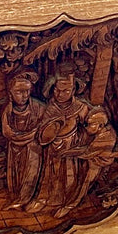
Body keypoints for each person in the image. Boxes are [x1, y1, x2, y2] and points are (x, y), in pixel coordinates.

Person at [29, 72, 90, 213]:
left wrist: (79, 142)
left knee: (69, 174)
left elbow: (89, 128)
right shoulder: (50, 107)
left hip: (71, 147)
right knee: (49, 173)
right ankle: (43, 199)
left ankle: (67, 201)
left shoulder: (80, 108)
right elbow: (42, 129)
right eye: (57, 90)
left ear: (73, 90)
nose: (60, 94)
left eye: (65, 91)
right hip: (52, 148)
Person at [0, 71, 45, 208]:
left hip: (33, 148)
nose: (25, 96)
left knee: (30, 172)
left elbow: (44, 129)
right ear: (11, 93)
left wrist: (32, 136)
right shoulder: (8, 110)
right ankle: (16, 197)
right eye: (19, 92)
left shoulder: (39, 107)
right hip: (14, 147)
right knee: (15, 173)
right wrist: (20, 138)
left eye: (27, 91)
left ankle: (24, 199)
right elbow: (7, 131)